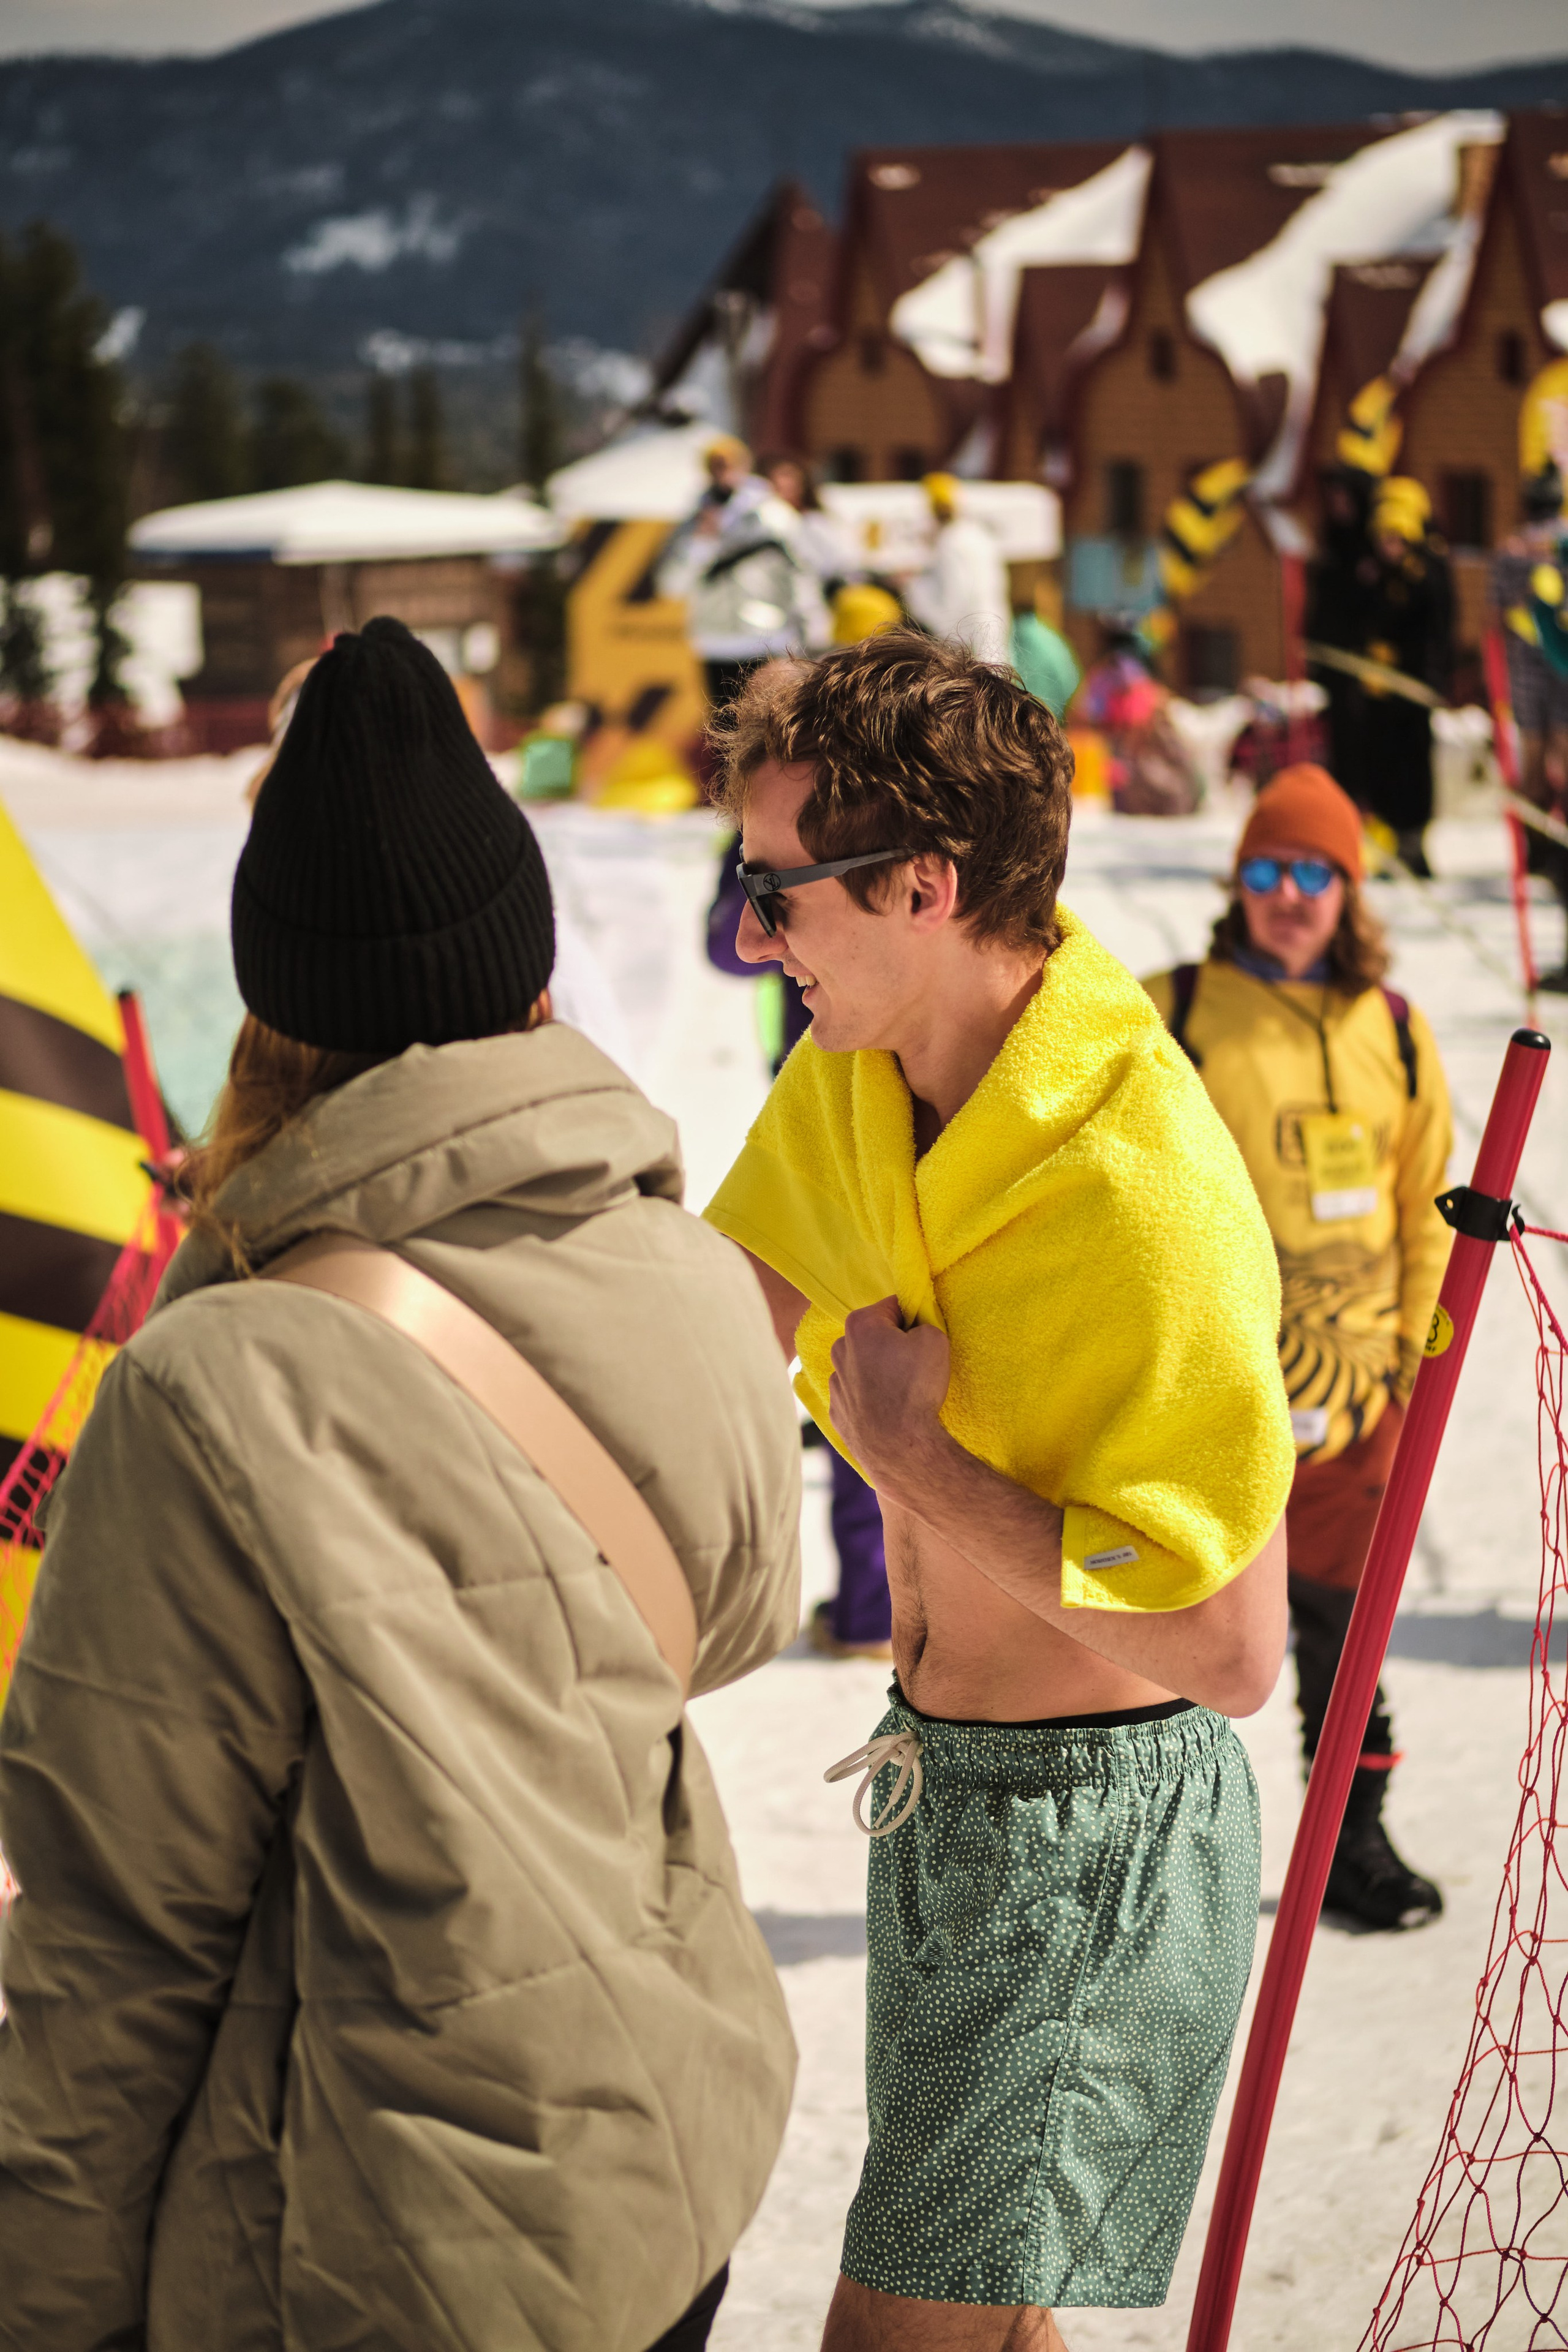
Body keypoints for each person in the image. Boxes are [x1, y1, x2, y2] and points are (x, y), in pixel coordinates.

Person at [0, 618, 804, 2352]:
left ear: (274, 994)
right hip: (661, 2166)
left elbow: (116, 1939)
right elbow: (734, 1623)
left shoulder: (205, 1382)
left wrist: (46, 2308)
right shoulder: (686, 1262)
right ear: (522, 960)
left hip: (365, 2240)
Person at [704, 630, 1295, 2350]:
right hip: (948, 1802)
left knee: (900, 2339)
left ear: (923, 888)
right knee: (992, 2328)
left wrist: (910, 1464)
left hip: (1093, 1843)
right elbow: (704, 1321)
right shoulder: (863, 1079)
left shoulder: (1141, 1191)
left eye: (779, 892)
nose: (750, 934)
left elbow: (1234, 1653)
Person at [1144, 763, 1452, 1933]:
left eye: (1313, 874)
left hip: (1361, 1394)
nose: (1288, 896)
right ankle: (1158, 1865)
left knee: (1346, 1634)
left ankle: (1352, 1846)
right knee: (1169, 1639)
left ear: (1349, 891)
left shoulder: (1401, 1034)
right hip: (1211, 1394)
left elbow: (1431, 1212)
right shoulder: (1175, 1012)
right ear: (1239, 884)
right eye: (1267, 872)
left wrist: (1417, 1364)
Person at [706, 842, 893, 1663]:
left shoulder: (795, 833)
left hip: (837, 1097)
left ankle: (871, 1606)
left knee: (862, 1339)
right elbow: (728, 945)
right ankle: (869, 1604)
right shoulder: (763, 840)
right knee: (853, 1341)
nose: (761, 936)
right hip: (812, 1089)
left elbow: (723, 943)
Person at [658, 434, 829, 712]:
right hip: (716, 641)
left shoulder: (774, 516)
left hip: (769, 638)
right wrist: (701, 542)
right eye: (715, 465)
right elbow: (671, 586)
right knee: (726, 732)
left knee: (774, 724)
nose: (723, 472)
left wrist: (812, 630)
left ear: (744, 466)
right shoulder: (695, 521)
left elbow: (803, 573)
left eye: (729, 464)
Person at [1490, 460, 1568, 992]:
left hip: (1531, 669)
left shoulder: (1514, 550)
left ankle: (1541, 850)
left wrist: (1534, 620)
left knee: (1537, 762)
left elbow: (1495, 613)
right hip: (1553, 675)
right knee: (1554, 758)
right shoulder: (1555, 547)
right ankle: (1546, 851)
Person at [1358, 477, 1453, 876]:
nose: (1388, 548)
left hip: (1415, 688)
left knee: (1414, 765)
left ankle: (1414, 841)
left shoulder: (1429, 571)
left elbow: (1439, 630)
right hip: (1382, 691)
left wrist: (1401, 658)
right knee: (1381, 762)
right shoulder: (1377, 573)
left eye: (1396, 540)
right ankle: (1386, 837)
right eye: (1384, 540)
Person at [905, 473, 1011, 663]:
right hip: (992, 634)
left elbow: (952, 607)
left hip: (966, 646)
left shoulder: (951, 544)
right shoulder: (979, 536)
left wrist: (911, 588)